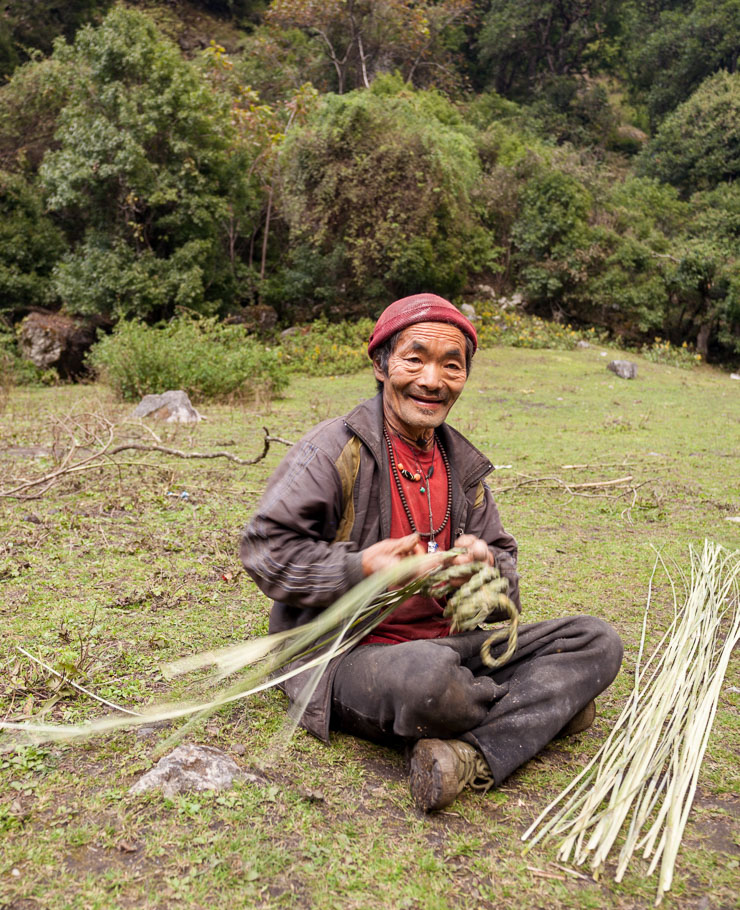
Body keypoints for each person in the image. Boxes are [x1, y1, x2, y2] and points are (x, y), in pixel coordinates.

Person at [240, 294, 623, 811]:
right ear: (381, 365)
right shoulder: (333, 450)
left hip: (454, 646)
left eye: (451, 366)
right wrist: (361, 568)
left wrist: (485, 569)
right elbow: (265, 548)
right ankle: (543, 711)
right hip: (351, 653)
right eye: (414, 359)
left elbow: (505, 568)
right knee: (429, 681)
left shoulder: (461, 468)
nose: (432, 380)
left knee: (594, 640)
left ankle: (471, 751)